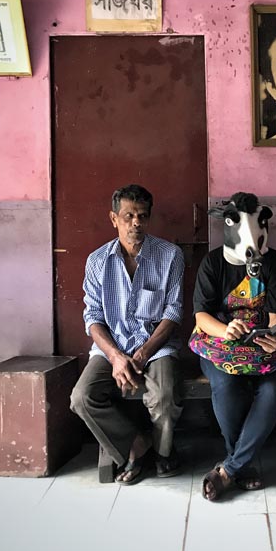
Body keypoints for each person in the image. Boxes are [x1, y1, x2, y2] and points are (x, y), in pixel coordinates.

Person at [70, 184, 185, 485]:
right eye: (128, 216)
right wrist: (116, 357)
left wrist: (144, 352)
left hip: (156, 347)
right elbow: (93, 317)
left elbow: (172, 314)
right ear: (113, 218)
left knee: (165, 395)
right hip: (113, 347)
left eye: (142, 216)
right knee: (82, 397)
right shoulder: (97, 261)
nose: (136, 222)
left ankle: (163, 453)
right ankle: (135, 446)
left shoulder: (170, 256)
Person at [189, 192, 276, 500]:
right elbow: (201, 316)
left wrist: (275, 334)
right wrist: (226, 329)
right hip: (219, 344)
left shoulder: (274, 262)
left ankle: (230, 469)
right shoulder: (212, 263)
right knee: (225, 382)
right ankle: (241, 466)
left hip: (261, 347)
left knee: (273, 388)